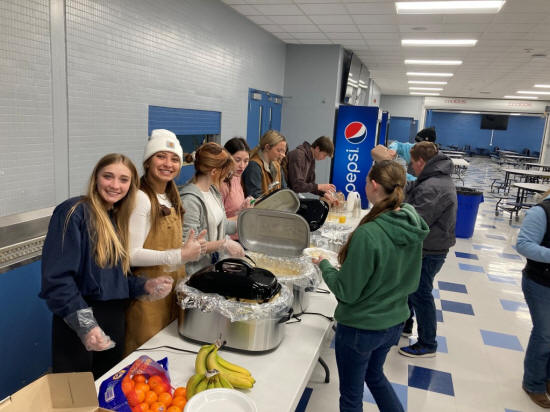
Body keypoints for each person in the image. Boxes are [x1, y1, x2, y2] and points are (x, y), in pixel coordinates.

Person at [40, 153, 175, 379]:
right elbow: (57, 280)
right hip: (78, 323)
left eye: (124, 179)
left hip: (113, 320)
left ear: (131, 185)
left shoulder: (116, 218)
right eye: (108, 176)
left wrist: (145, 286)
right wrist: (86, 325)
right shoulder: (73, 212)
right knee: (76, 394)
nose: (115, 185)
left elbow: (114, 278)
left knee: (106, 387)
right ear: (96, 178)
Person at [312, 160, 429, 412]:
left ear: (374, 185)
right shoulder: (411, 223)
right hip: (394, 321)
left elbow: (346, 292)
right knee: (375, 376)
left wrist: (325, 265)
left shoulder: (369, 233)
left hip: (361, 327)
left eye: (366, 181)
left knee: (351, 397)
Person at [126, 129, 205, 355]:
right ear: (147, 162)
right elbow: (131, 254)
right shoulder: (141, 198)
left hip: (170, 292)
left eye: (174, 159)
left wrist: (191, 250)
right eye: (161, 156)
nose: (168, 164)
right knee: (145, 361)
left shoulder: (171, 195)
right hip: (148, 297)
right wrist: (179, 255)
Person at [398, 141, 457, 358]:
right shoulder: (435, 177)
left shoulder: (434, 186)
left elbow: (416, 220)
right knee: (410, 287)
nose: (411, 166)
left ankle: (427, 343)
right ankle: (404, 324)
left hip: (430, 249)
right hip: (432, 245)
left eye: (413, 162)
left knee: (420, 293)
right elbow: (414, 188)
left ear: (421, 161)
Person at [180, 142, 245, 276]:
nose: (227, 177)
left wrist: (244, 224)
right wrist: (223, 244)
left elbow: (222, 224)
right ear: (214, 172)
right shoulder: (190, 201)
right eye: (226, 173)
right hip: (195, 273)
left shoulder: (213, 192)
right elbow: (189, 247)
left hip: (211, 268)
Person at [516, 189, 550, 408]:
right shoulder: (542, 211)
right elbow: (524, 244)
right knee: (545, 334)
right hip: (541, 283)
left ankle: (547, 378)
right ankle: (533, 384)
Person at [371, 127, 437, 181]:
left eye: (419, 144)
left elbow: (424, 183)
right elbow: (397, 144)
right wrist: (392, 150)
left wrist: (401, 175)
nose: (416, 146)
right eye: (416, 143)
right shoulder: (412, 148)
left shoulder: (436, 161)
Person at [287, 136, 337, 203]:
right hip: (285, 195)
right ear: (317, 149)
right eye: (324, 155)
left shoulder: (311, 159)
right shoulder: (299, 155)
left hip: (292, 194)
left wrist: (323, 193)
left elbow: (309, 185)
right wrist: (319, 186)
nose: (324, 158)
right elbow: (297, 186)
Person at [242, 130, 287, 198]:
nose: (283, 155)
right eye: (279, 150)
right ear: (267, 147)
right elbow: (255, 197)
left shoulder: (277, 165)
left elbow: (284, 191)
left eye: (284, 151)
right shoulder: (254, 166)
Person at [220, 137, 253, 220]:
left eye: (246, 161)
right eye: (237, 160)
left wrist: (244, 208)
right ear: (227, 158)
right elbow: (218, 224)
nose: (242, 166)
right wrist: (243, 214)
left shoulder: (236, 176)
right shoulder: (221, 183)